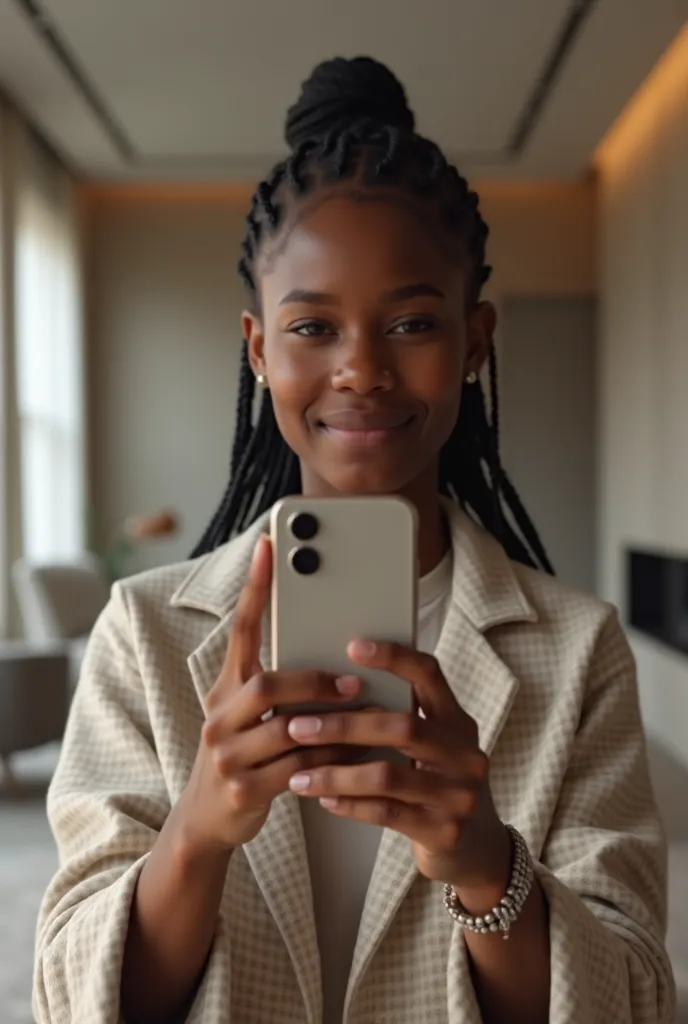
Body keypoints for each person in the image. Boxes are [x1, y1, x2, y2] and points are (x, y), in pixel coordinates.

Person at [33, 57, 675, 1024]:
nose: (363, 370)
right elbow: (67, 994)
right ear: (259, 349)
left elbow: (633, 1000)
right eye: (314, 327)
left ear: (475, 340)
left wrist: (488, 869)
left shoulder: (579, 652)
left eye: (413, 322)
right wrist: (196, 839)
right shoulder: (146, 633)